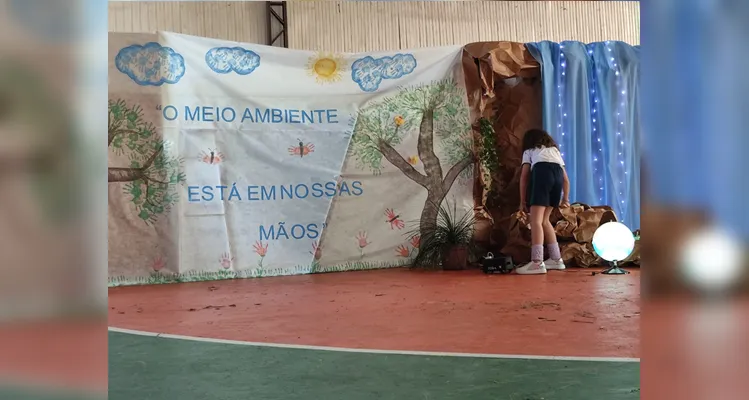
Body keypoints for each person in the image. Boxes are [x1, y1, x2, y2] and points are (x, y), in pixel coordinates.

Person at [515, 129, 570, 275]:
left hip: (542, 175)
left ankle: (537, 262)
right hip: (557, 178)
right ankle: (556, 259)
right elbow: (565, 179)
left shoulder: (530, 151)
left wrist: (522, 201)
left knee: (536, 222)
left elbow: (524, 177)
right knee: (545, 221)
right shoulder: (555, 151)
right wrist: (565, 198)